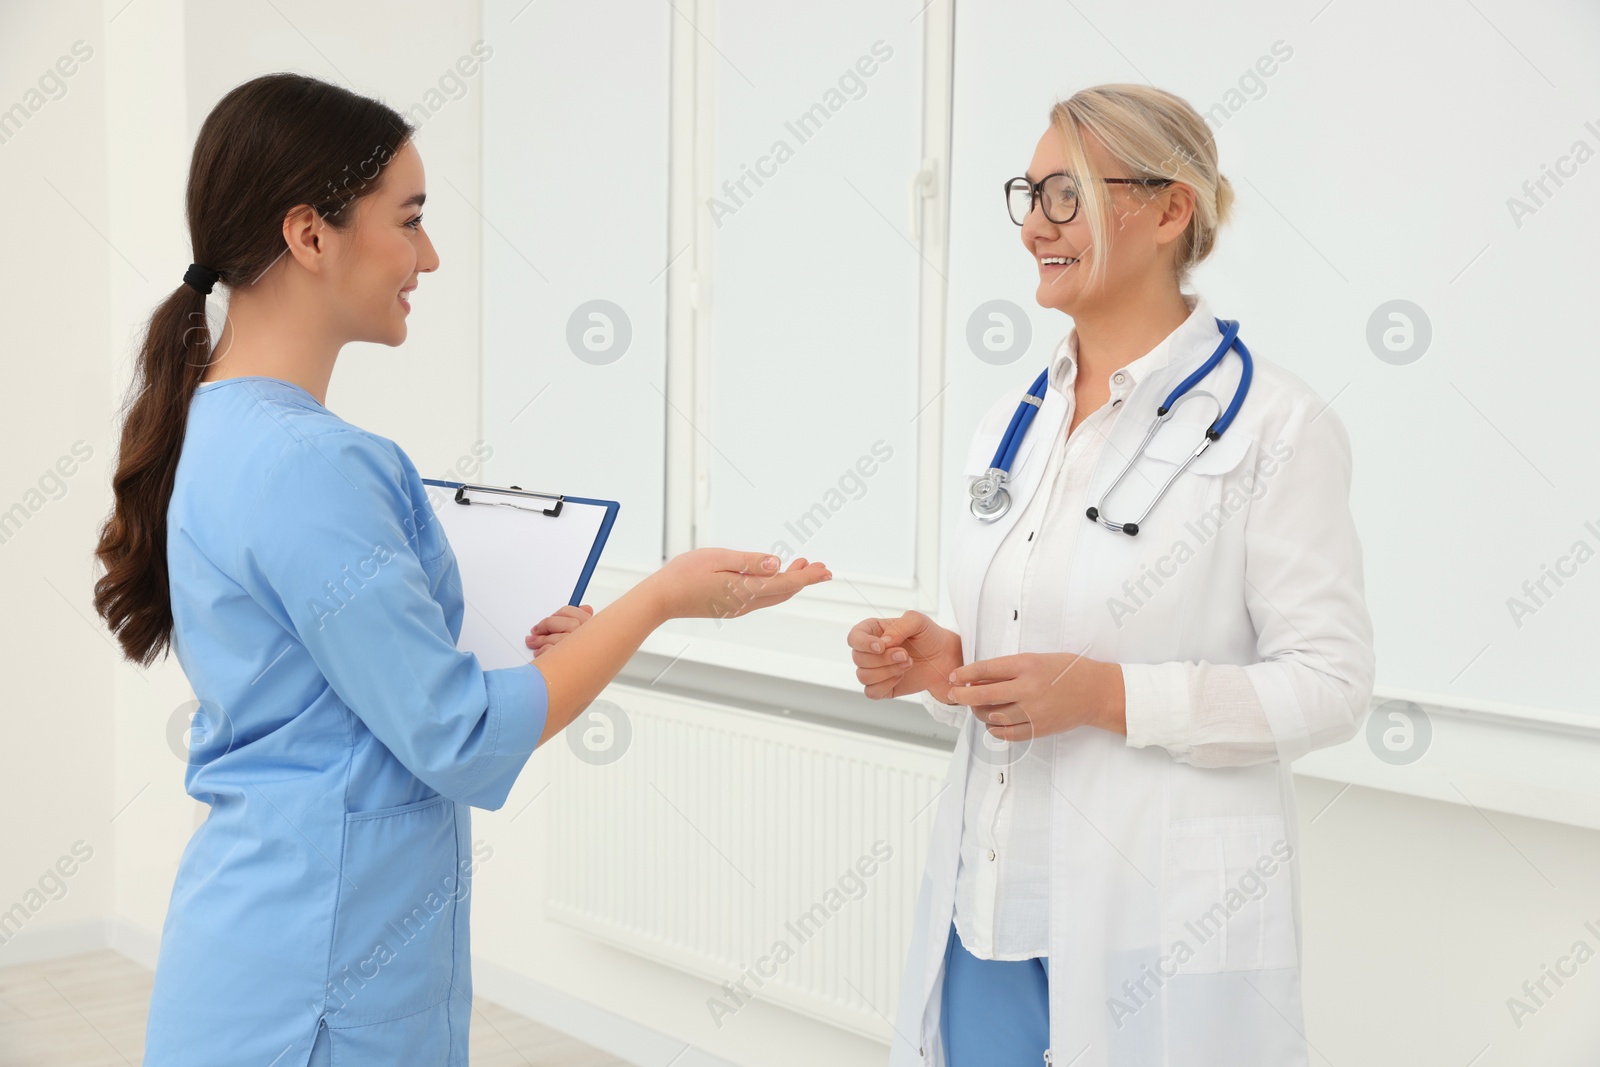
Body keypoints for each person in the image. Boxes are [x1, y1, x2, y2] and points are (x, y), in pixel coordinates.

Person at [90, 72, 830, 1066]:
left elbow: (342, 687)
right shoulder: (316, 463)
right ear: (310, 235)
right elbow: (458, 734)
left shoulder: (220, 424)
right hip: (320, 984)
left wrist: (554, 641)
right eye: (410, 221)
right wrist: (660, 600)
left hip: (266, 946)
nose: (428, 257)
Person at [848, 84, 1375, 1066]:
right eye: (1030, 194)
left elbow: (1331, 684)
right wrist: (945, 664)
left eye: (1067, 194)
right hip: (992, 910)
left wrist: (1107, 696)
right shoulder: (1014, 418)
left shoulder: (1277, 426)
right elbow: (1026, 641)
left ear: (1171, 208)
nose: (1035, 227)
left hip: (1156, 920)